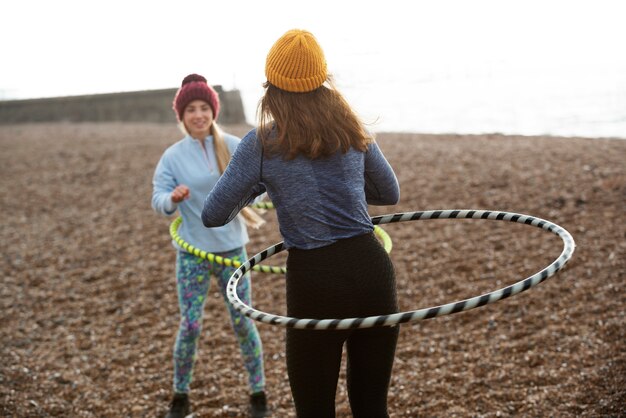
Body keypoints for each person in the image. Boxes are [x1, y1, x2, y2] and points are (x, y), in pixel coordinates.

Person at [201, 30, 400, 417]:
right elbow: (388, 192)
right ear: (324, 81)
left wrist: (265, 184)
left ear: (271, 87)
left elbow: (214, 214)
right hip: (372, 270)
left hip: (315, 281)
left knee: (314, 410)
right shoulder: (352, 127)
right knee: (372, 407)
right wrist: (344, 192)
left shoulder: (262, 143)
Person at [151, 74, 270, 418]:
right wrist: (171, 199)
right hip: (192, 254)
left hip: (233, 250)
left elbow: (260, 184)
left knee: (243, 322)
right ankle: (180, 395)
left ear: (213, 111)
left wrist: (258, 196)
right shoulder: (172, 157)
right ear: (182, 116)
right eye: (191, 109)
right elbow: (157, 198)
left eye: (204, 107)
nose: (199, 114)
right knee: (190, 325)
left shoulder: (234, 145)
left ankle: (258, 392)